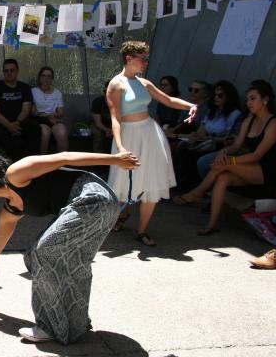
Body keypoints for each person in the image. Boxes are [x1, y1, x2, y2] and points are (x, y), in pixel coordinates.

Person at [0, 150, 140, 344]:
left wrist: (116, 160)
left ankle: (49, 327)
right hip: (94, 209)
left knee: (42, 252)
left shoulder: (16, 173)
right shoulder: (10, 210)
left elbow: (65, 157)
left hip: (94, 198)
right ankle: (76, 322)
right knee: (52, 260)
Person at [107, 40, 196, 247]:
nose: (145, 63)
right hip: (128, 135)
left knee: (151, 182)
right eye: (142, 59)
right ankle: (123, 214)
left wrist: (190, 105)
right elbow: (115, 118)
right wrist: (120, 147)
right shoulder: (116, 84)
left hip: (150, 133)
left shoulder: (144, 83)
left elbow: (169, 100)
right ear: (129, 59)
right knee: (125, 181)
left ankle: (142, 230)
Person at [172, 82, 276, 235]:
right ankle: (211, 224)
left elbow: (257, 155)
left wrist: (230, 161)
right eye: (247, 99)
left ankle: (197, 193)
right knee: (223, 178)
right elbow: (236, 145)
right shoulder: (249, 120)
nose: (249, 103)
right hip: (250, 166)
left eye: (253, 99)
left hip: (268, 170)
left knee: (223, 166)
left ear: (265, 100)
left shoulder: (273, 123)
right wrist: (225, 152)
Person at [172, 80, 242, 189]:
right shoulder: (211, 111)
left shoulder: (235, 115)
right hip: (204, 143)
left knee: (194, 157)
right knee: (182, 150)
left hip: (219, 146)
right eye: (214, 95)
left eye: (220, 95)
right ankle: (177, 184)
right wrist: (197, 135)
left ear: (229, 97)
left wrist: (210, 138)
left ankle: (191, 187)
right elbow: (201, 131)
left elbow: (232, 139)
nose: (216, 98)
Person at [0, 59, 41, 161]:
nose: (9, 73)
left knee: (35, 128)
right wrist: (9, 126)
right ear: (3, 72)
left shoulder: (24, 87)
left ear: (17, 71)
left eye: (12, 70)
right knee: (0, 133)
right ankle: (14, 165)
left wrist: (17, 123)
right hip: (2, 122)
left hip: (20, 120)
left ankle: (34, 162)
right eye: (6, 71)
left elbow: (26, 109)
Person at [32, 66, 68, 153]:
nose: (46, 78)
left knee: (62, 132)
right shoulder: (33, 91)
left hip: (54, 120)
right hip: (40, 120)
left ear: (52, 79)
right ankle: (42, 162)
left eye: (48, 76)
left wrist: (54, 115)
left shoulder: (57, 93)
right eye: (43, 76)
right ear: (40, 77)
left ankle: (62, 163)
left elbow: (61, 112)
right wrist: (47, 115)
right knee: (45, 132)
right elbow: (33, 112)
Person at [91, 81, 112, 153]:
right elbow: (97, 122)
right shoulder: (97, 102)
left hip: (116, 124)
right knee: (98, 134)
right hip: (99, 125)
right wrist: (106, 130)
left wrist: (114, 129)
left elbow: (122, 120)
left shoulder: (121, 102)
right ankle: (98, 158)